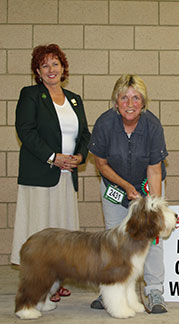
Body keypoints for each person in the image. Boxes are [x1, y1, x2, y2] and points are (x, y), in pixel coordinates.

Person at [11, 44, 91, 302]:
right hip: (40, 176)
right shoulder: (31, 95)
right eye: (44, 65)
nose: (51, 69)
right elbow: (26, 131)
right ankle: (40, 283)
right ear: (37, 70)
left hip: (67, 176)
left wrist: (80, 156)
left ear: (63, 68)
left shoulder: (75, 99)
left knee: (63, 232)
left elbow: (85, 135)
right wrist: (53, 157)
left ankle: (57, 281)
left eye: (55, 63)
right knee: (41, 231)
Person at [88, 74, 169, 313]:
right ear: (116, 102)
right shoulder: (104, 124)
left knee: (151, 237)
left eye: (136, 98)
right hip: (114, 186)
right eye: (124, 98)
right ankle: (110, 291)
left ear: (144, 102)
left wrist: (152, 206)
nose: (130, 104)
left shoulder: (153, 126)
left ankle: (154, 290)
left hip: (147, 185)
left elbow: (154, 170)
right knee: (114, 239)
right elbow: (101, 164)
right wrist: (124, 185)